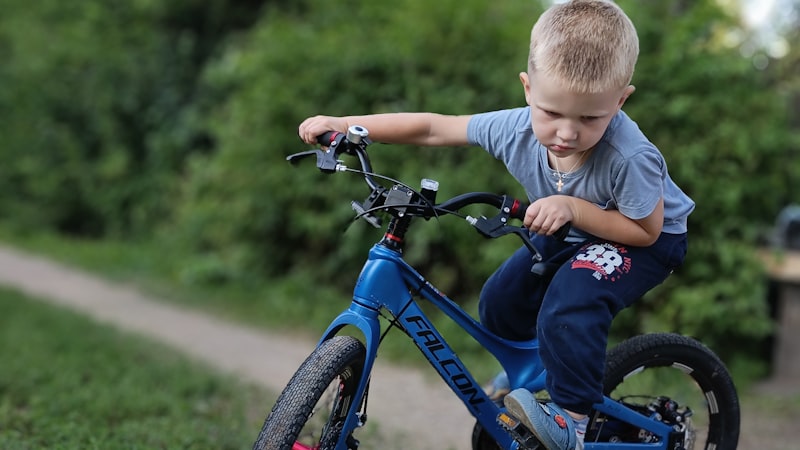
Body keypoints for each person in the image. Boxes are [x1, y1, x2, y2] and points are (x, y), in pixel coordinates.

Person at [298, 1, 694, 448]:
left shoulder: (631, 156)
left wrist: (572, 208)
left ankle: (571, 422)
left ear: (620, 100)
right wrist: (347, 126)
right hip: (573, 232)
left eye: (589, 118)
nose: (567, 133)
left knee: (571, 301)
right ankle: (532, 374)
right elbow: (433, 127)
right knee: (501, 303)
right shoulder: (515, 128)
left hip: (644, 239)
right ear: (528, 89)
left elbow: (646, 231)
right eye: (551, 113)